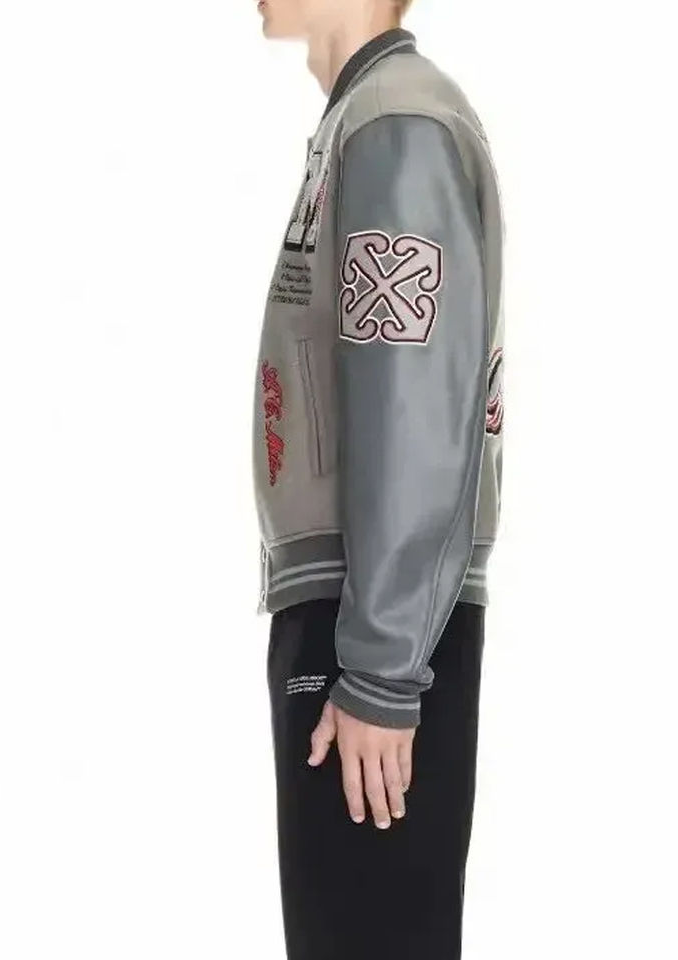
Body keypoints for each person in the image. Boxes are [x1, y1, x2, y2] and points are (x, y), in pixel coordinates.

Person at [251, 1, 505, 957]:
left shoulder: (398, 121)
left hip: (376, 624)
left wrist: (381, 675)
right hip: (362, 611)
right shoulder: (366, 119)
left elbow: (413, 399)